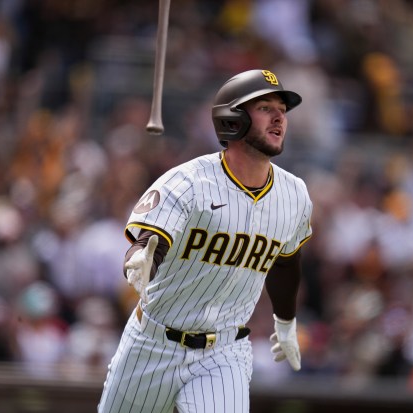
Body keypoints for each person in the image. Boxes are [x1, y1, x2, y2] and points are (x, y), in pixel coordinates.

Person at [98, 69, 313, 413]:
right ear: (233, 119)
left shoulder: (295, 194)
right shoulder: (189, 181)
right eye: (264, 107)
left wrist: (285, 321)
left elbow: (286, 261)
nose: (278, 117)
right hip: (153, 343)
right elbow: (151, 240)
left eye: (282, 110)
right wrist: (142, 257)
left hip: (224, 351)